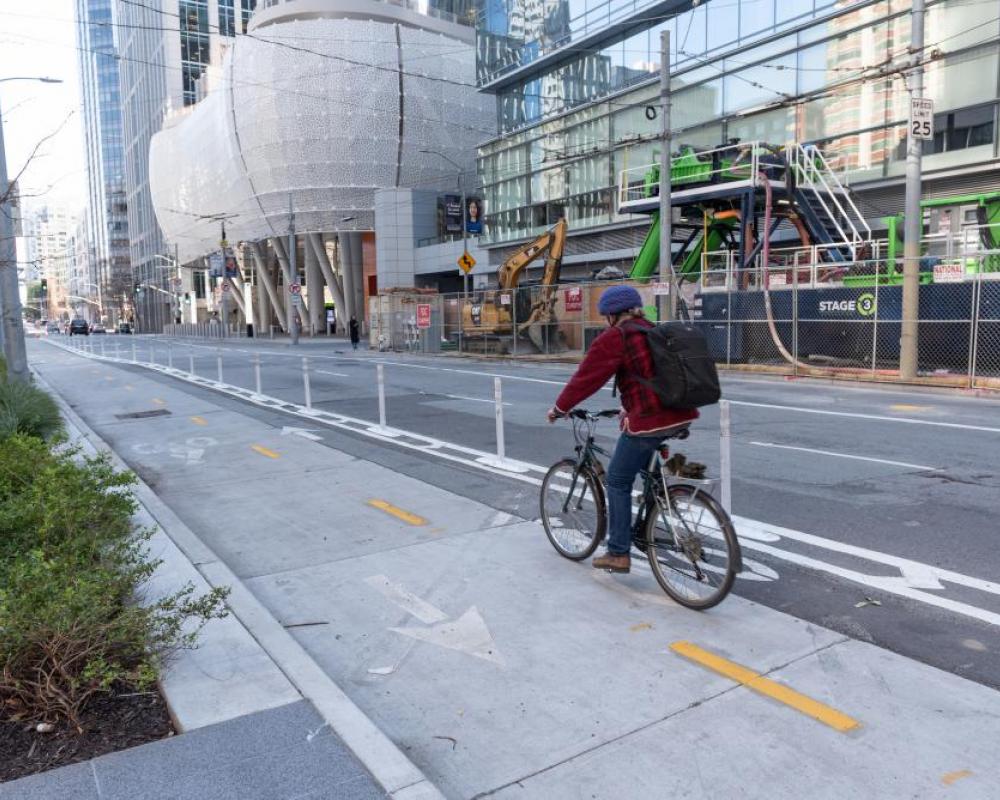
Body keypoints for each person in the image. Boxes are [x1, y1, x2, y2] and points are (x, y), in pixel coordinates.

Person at [547, 286, 698, 574]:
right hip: (680, 414)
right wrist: (628, 407)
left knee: (617, 479)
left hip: (651, 421)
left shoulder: (617, 337)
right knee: (643, 469)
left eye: (606, 316)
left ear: (613, 315)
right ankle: (652, 515)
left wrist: (559, 409)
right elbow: (650, 378)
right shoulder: (653, 330)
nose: (606, 321)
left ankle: (618, 552)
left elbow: (585, 379)